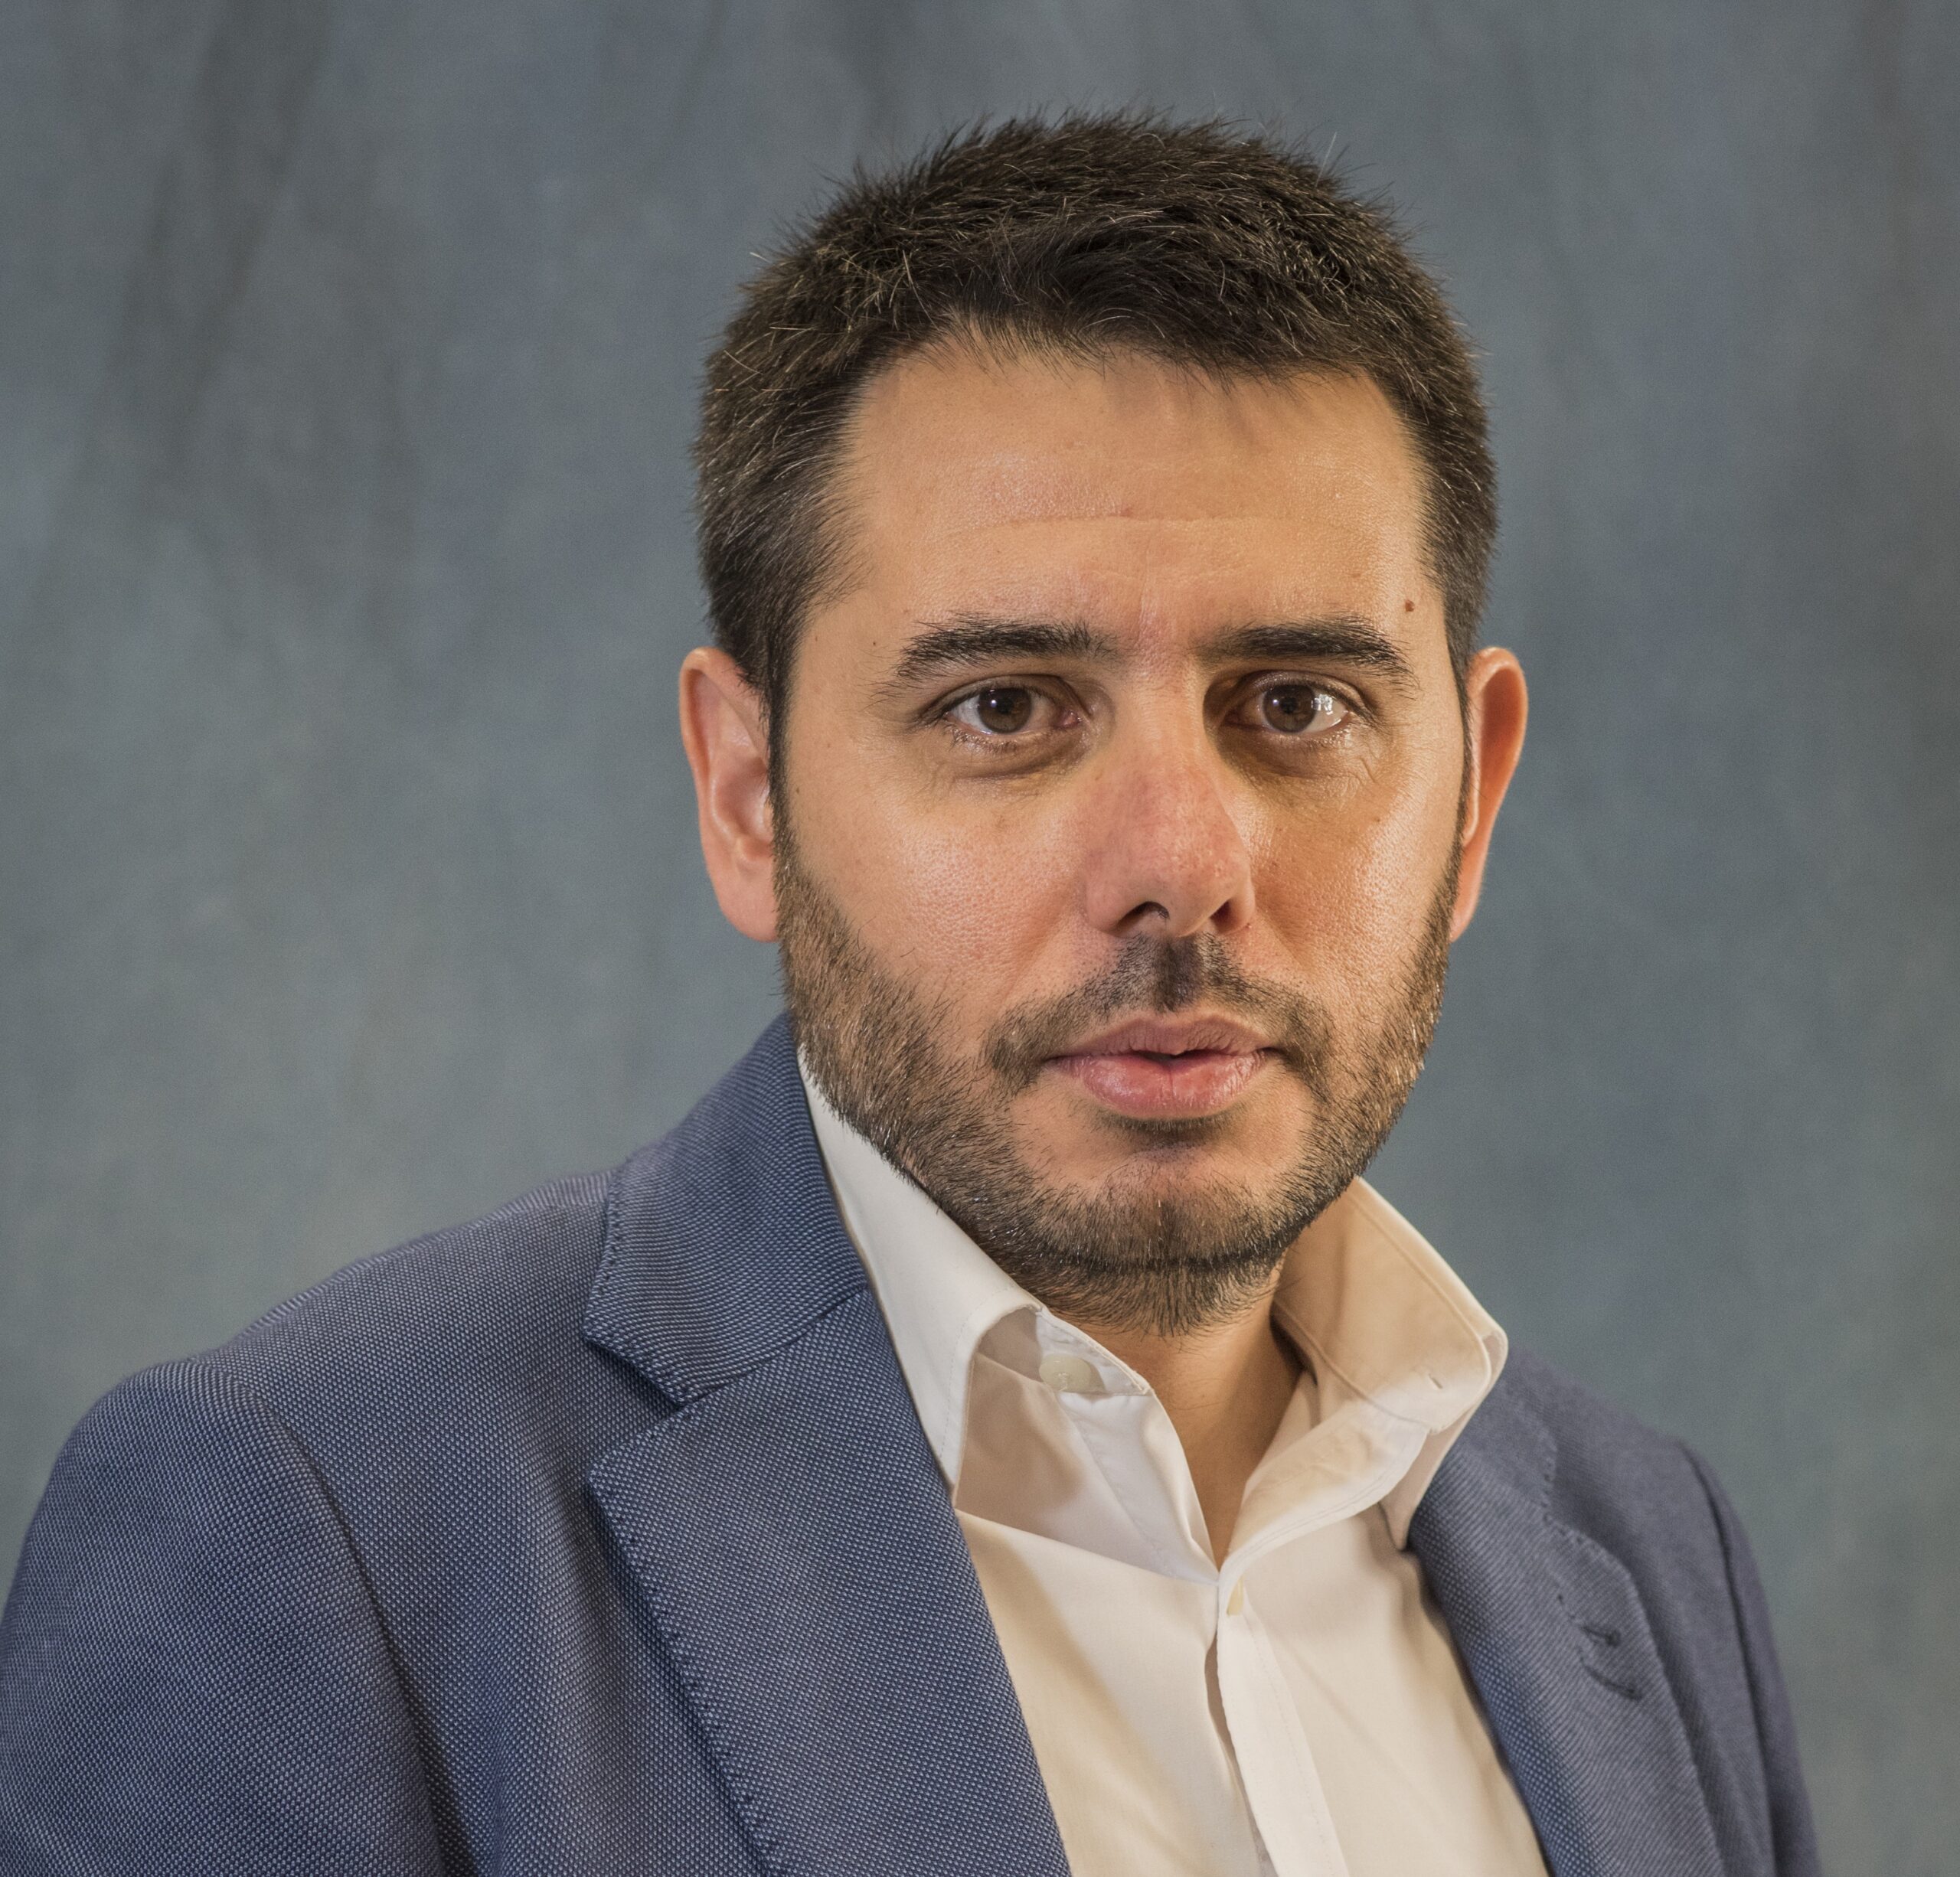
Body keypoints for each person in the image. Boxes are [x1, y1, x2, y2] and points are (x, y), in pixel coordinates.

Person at [0, 114, 1818, 1877]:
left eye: (1295, 705)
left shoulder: (1646, 1550)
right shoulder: (310, 1530)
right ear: (747, 793)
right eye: (1003, 707)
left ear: (1471, 796)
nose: (1178, 864)